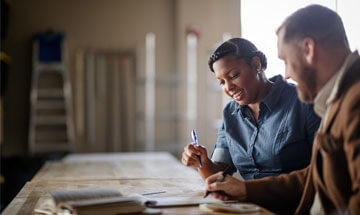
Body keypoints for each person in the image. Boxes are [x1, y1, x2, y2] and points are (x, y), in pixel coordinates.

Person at [205, 4, 360, 214]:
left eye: (286, 61)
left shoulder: (353, 100)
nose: (286, 74)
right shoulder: (339, 99)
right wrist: (246, 189)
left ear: (308, 49)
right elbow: (316, 174)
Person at [181, 37, 320, 181]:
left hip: (292, 201)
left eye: (234, 75)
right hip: (245, 202)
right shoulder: (230, 113)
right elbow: (218, 175)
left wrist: (247, 190)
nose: (228, 88)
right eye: (221, 82)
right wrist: (202, 163)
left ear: (256, 64)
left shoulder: (303, 101)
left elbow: (322, 172)